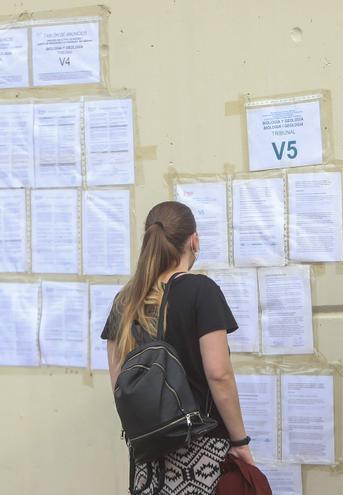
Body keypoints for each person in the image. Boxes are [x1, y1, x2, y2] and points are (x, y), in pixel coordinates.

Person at [102, 201, 255, 495]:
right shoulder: (201, 291)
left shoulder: (125, 300)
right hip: (201, 448)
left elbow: (119, 383)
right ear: (194, 241)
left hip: (147, 455)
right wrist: (239, 442)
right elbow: (219, 374)